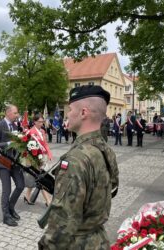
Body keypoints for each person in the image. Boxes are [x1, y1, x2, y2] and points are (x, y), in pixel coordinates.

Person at [38, 85, 119, 249]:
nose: (67, 114)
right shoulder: (105, 149)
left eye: (70, 109)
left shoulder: (76, 158)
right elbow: (112, 189)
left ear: (83, 113)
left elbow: (62, 224)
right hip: (98, 240)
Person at [0, 104, 24, 227]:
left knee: (21, 185)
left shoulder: (15, 126)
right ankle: (6, 216)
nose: (17, 115)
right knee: (7, 189)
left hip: (14, 162)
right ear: (8, 113)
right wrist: (9, 143)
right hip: (2, 162)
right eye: (15, 113)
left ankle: (11, 207)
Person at [24, 113, 53, 206]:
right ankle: (48, 201)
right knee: (41, 178)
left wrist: (49, 153)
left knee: (35, 177)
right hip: (34, 159)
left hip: (42, 157)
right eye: (40, 122)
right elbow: (26, 147)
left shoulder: (43, 131)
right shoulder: (30, 132)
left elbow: (45, 144)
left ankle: (27, 196)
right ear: (35, 122)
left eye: (42, 121)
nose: (42, 123)